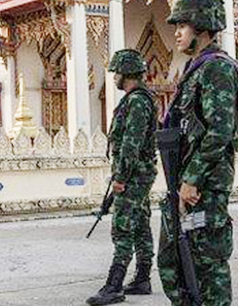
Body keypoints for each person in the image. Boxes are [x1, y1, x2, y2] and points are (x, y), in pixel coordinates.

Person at [158, 0, 238, 306]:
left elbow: (220, 130)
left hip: (203, 187)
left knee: (207, 267)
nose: (177, 32)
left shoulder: (217, 68)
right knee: (174, 262)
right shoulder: (195, 69)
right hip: (183, 186)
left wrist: (192, 179)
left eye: (183, 25)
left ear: (203, 28)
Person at [87, 49, 159, 306]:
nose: (114, 77)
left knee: (123, 227)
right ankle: (142, 278)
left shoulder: (137, 101)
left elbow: (131, 143)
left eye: (117, 72)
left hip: (133, 175)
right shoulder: (137, 99)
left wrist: (120, 177)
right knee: (140, 224)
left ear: (126, 73)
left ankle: (114, 285)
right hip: (138, 173)